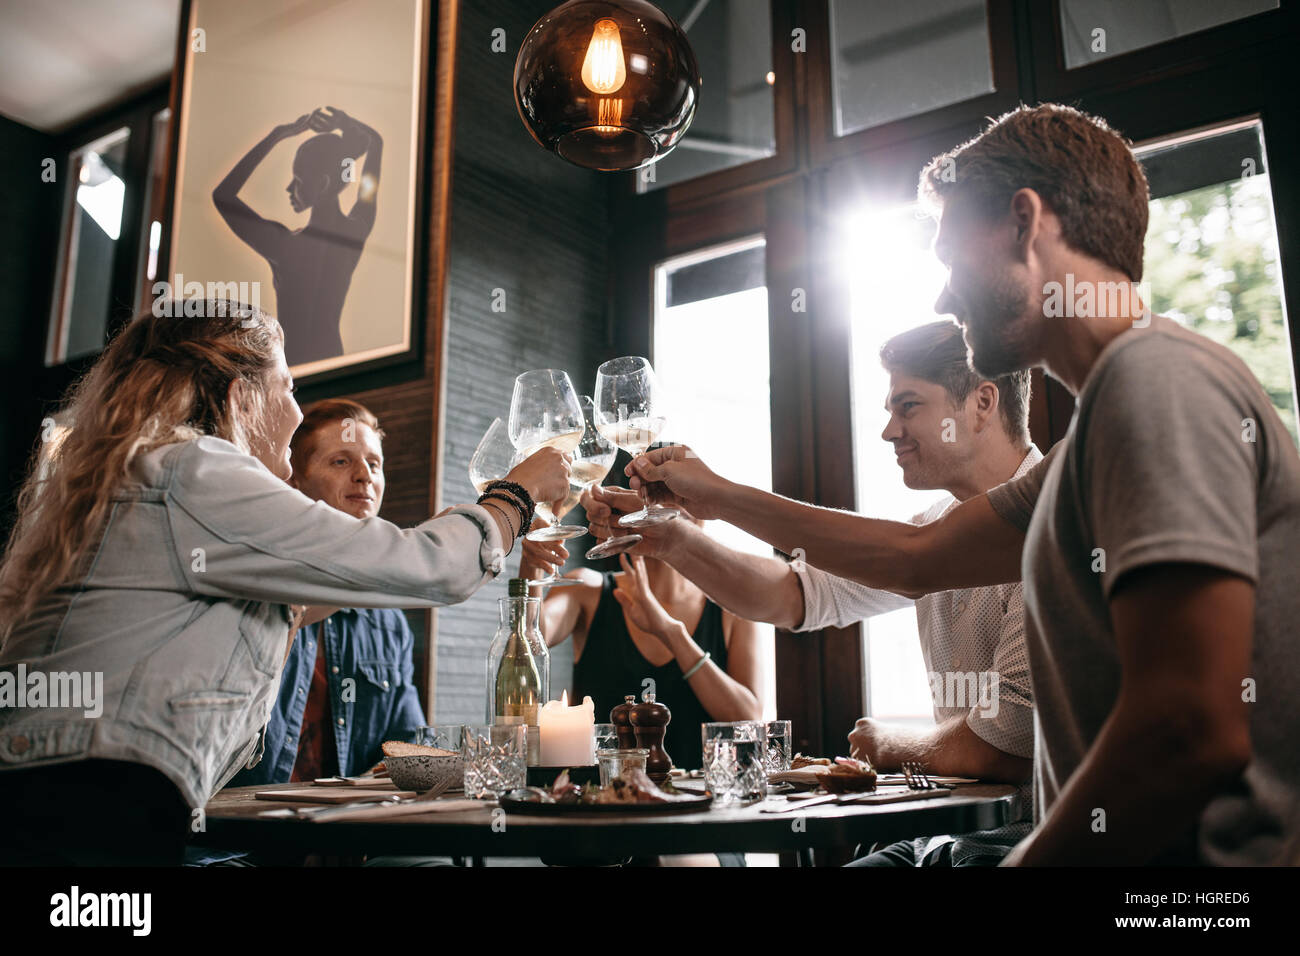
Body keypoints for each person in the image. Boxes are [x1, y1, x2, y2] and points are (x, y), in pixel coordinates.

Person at [602, 104, 1300, 866]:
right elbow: (917, 556)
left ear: (1023, 223)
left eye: (950, 257)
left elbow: (1189, 725)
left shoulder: (1153, 382)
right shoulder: (1091, 440)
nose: (942, 297)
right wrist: (705, 503)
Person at [0, 300, 568, 865]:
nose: (295, 415)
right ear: (240, 398)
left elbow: (362, 603)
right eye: (289, 388)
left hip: (64, 794)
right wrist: (512, 497)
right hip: (95, 809)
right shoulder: (195, 470)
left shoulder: (143, 478)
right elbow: (431, 567)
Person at [586, 319, 1040, 866]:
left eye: (908, 405)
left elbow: (1005, 744)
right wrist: (671, 539)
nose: (889, 430)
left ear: (983, 402)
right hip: (948, 839)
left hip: (1031, 843)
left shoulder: (1046, 522)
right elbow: (792, 596)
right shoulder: (932, 530)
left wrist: (889, 746)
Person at [519, 512, 764, 772]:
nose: (677, 511)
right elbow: (531, 638)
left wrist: (671, 633)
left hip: (701, 805)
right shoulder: (588, 590)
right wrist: (532, 560)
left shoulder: (732, 608)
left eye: (687, 500)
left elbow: (748, 719)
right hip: (611, 803)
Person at [213, 106, 381, 366]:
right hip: (332, 361)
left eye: (298, 180)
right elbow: (375, 144)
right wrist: (347, 123)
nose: (289, 188)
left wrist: (277, 136)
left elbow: (222, 196)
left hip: (293, 367)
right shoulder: (355, 231)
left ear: (323, 184)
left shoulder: (285, 246)